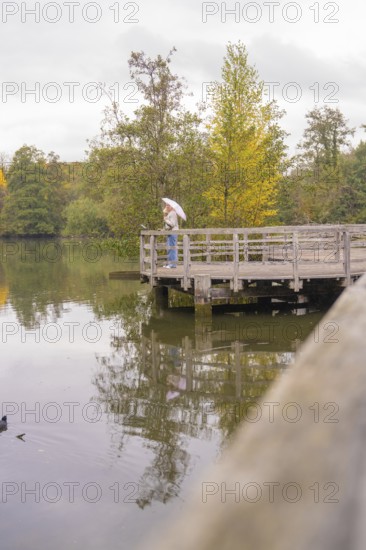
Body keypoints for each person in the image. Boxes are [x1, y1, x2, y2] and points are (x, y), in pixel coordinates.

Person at [163, 204, 179, 268]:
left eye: (168, 205)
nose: (167, 206)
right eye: (166, 205)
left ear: (172, 207)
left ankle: (172, 264)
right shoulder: (170, 213)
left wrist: (166, 220)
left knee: (172, 248)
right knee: (169, 248)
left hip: (173, 232)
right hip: (170, 232)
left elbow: (172, 224)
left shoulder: (173, 213)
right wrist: (166, 216)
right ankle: (170, 263)